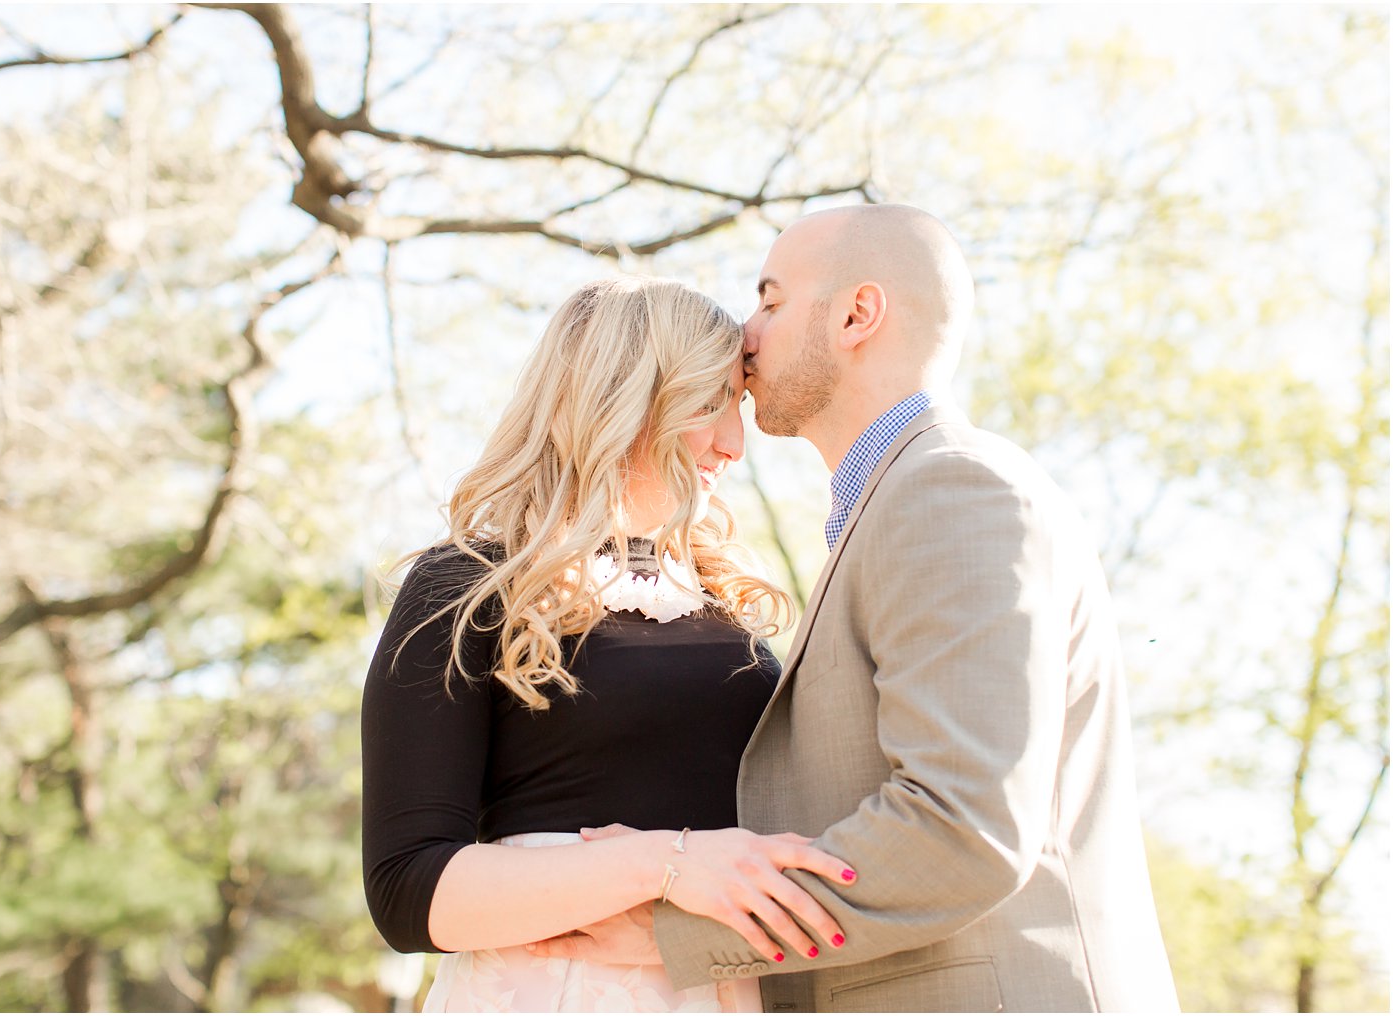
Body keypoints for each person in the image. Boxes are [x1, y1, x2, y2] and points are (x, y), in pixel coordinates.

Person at [529, 206, 1181, 1012]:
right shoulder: (895, 507)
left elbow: (960, 825)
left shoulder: (949, 493)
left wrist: (677, 929)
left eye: (770, 299)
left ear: (855, 315)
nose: (748, 332)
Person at [361, 276, 855, 1013]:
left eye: (738, 405)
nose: (733, 443)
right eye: (709, 402)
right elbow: (408, 893)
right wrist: (666, 863)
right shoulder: (465, 586)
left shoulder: (728, 605)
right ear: (624, 399)